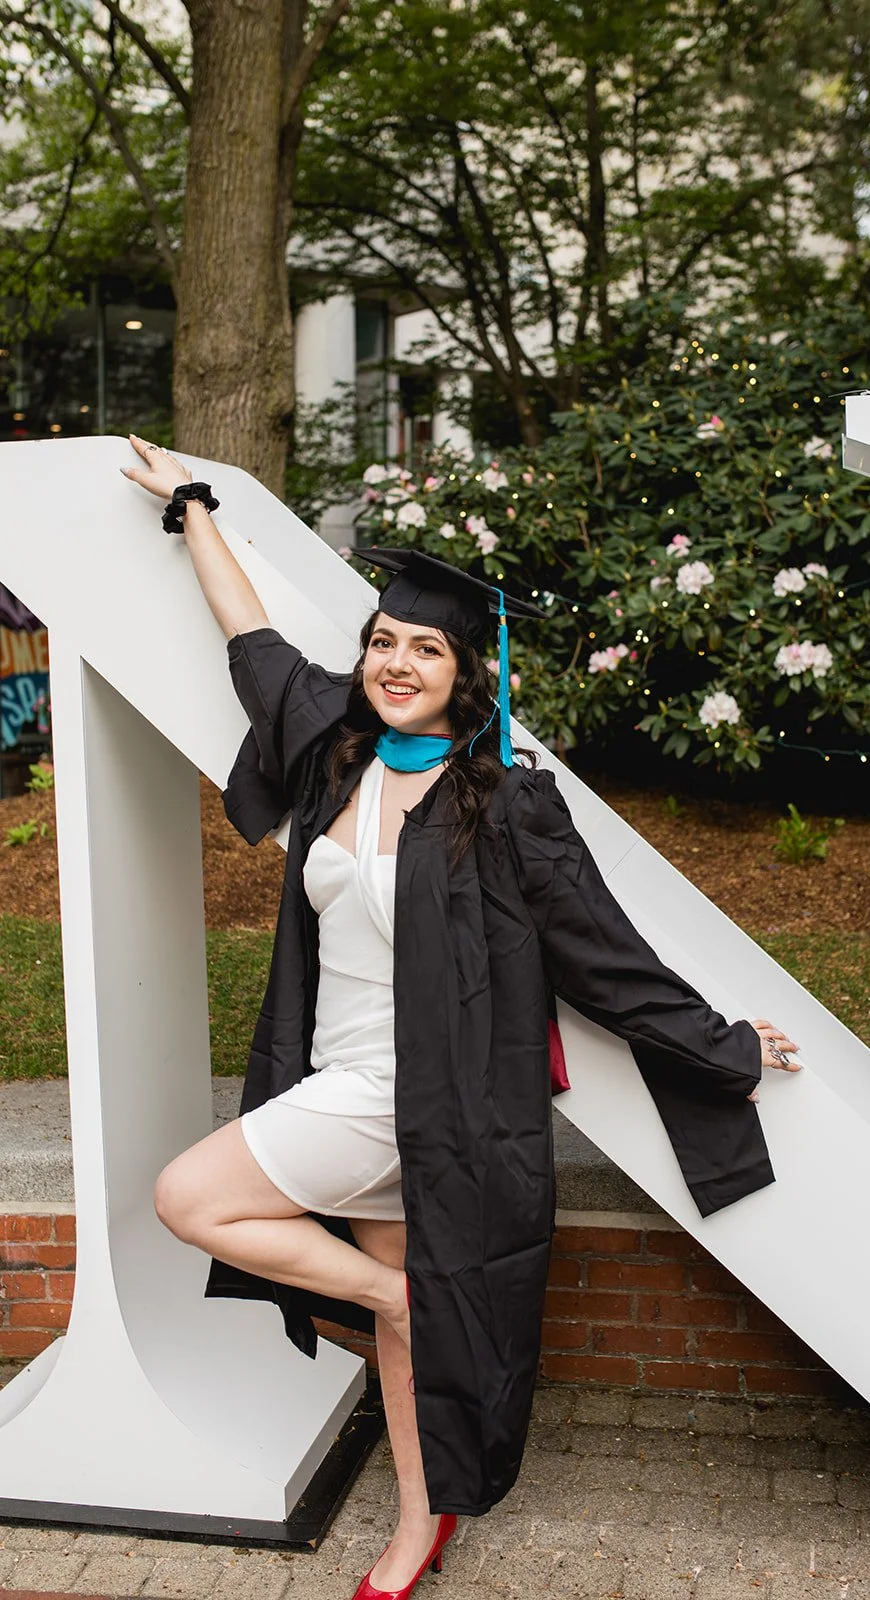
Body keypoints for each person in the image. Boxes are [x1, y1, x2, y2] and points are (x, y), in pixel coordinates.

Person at [121, 434, 803, 1600]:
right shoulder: (334, 757)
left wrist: (723, 1045)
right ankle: (414, 1523)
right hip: (332, 1079)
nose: (394, 662)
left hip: (418, 1097)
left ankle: (404, 1308)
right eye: (382, 641)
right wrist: (189, 508)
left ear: (462, 671)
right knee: (403, 1328)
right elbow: (252, 643)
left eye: (422, 648)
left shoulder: (506, 807)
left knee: (188, 1196)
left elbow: (603, 958)